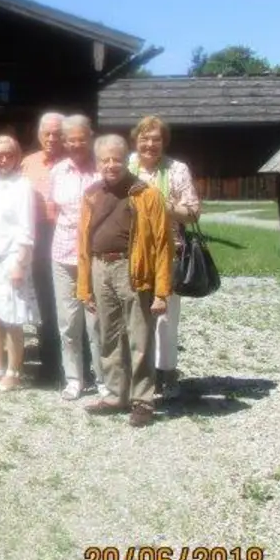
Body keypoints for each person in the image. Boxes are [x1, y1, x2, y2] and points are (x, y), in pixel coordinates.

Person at [77, 134, 173, 427]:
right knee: (108, 335)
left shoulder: (146, 194)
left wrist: (161, 292)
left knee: (140, 337)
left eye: (116, 159)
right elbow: (82, 242)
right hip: (99, 267)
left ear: (126, 160)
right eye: (104, 160)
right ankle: (115, 395)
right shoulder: (91, 194)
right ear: (97, 163)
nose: (111, 165)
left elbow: (163, 244)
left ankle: (143, 400)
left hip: (132, 268)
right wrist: (84, 286)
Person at [129, 116, 201, 397]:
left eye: (156, 139)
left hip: (168, 253)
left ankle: (167, 373)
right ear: (135, 140)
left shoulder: (177, 169)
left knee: (165, 319)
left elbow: (193, 212)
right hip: (130, 254)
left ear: (164, 142)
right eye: (144, 138)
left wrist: (164, 205)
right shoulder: (126, 166)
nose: (150, 144)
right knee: (133, 316)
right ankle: (138, 373)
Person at [48, 115, 105, 401]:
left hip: (96, 254)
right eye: (70, 140)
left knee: (97, 322)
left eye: (81, 139)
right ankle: (74, 379)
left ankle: (104, 379)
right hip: (63, 254)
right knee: (68, 322)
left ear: (90, 137)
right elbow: (52, 210)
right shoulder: (58, 171)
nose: (76, 144)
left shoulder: (102, 168)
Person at [0, 139, 38, 390]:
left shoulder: (23, 186)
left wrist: (20, 263)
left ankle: (13, 372)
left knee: (12, 318)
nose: (3, 160)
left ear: (17, 156)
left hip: (13, 257)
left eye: (8, 155)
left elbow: (27, 227)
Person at [20, 111, 66, 384]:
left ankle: (74, 364)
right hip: (37, 235)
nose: (52, 139)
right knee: (43, 299)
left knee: (68, 299)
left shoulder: (74, 162)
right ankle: (49, 364)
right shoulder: (28, 163)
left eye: (57, 134)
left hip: (66, 234)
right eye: (47, 133)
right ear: (39, 135)